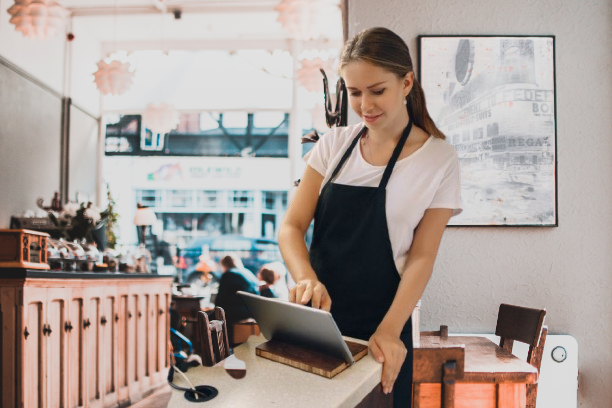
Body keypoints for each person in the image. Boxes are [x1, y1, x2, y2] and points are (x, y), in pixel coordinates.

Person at [278, 27, 462, 407]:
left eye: (377, 91)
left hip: (382, 329)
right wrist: (306, 280)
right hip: (317, 327)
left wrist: (390, 331)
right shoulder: (333, 145)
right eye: (355, 92)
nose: (365, 105)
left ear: (406, 82)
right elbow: (292, 228)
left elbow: (423, 256)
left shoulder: (438, 158)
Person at [214, 253, 260, 343]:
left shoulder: (229, 274)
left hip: (238, 312)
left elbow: (220, 299)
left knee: (212, 317)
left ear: (224, 265)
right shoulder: (248, 272)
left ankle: (220, 346)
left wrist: (214, 309)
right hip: (253, 311)